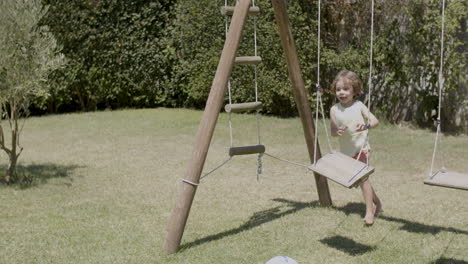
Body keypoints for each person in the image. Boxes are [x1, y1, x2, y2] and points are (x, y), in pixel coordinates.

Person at [329, 70, 382, 226]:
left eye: (346, 89)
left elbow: (375, 121)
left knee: (363, 178)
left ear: (354, 90)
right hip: (346, 151)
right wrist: (336, 132)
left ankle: (369, 212)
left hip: (361, 148)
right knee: (360, 181)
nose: (342, 93)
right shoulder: (334, 109)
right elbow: (332, 131)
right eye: (338, 89)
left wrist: (365, 125)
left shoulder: (359, 106)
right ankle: (378, 203)